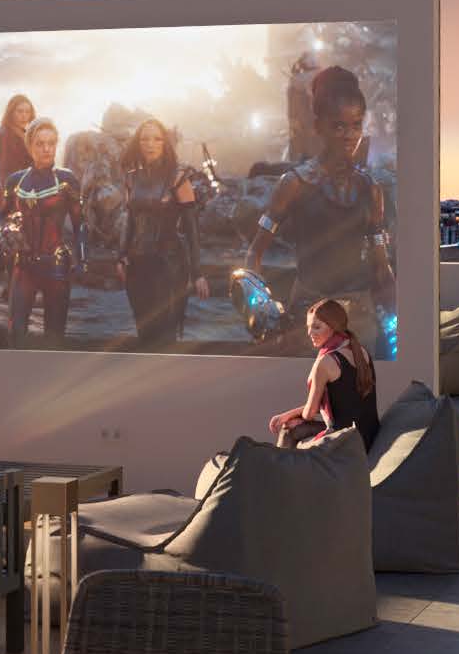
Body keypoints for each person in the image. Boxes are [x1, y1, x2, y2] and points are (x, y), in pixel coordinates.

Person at [241, 65, 394, 353]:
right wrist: (259, 307)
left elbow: (381, 267)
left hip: (359, 318)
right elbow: (255, 252)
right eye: (338, 126)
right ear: (318, 126)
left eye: (356, 125)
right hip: (308, 317)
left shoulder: (370, 189)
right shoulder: (294, 184)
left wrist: (395, 318)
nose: (349, 135)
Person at [116, 116, 211, 347]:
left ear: (165, 143)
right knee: (144, 333)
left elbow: (191, 229)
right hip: (137, 268)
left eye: (156, 139)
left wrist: (197, 273)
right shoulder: (131, 178)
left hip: (169, 267)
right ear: (138, 143)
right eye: (145, 139)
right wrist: (120, 256)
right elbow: (130, 220)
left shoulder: (178, 178)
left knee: (166, 336)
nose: (150, 144)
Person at [0, 117, 85, 347]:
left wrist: (83, 259)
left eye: (51, 143)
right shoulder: (16, 181)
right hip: (23, 266)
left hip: (56, 265)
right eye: (40, 144)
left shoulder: (66, 180)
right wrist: (1, 234)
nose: (46, 149)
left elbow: (79, 223)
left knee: (54, 337)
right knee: (16, 333)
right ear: (29, 146)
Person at [267, 298, 381, 450]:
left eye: (316, 327)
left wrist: (288, 417)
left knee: (288, 430)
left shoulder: (326, 362)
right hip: (368, 436)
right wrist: (288, 415)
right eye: (308, 327)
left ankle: (278, 473)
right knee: (294, 425)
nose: (310, 333)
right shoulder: (361, 351)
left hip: (347, 441)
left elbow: (309, 413)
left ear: (333, 327)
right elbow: (343, 404)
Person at [0, 94, 36, 190]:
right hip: (14, 190)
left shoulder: (28, 134)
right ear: (11, 112)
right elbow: (4, 169)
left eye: (27, 112)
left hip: (32, 188)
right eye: (20, 111)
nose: (24, 115)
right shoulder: (2, 133)